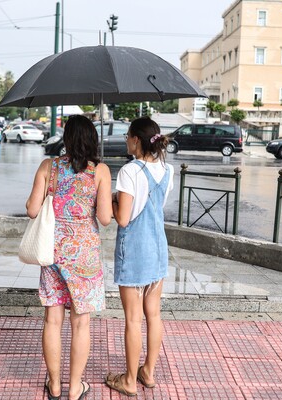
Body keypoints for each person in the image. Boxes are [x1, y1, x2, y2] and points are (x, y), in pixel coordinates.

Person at [26, 115, 112, 400]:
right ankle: (75, 388)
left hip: (53, 251)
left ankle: (54, 385)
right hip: (84, 255)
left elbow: (31, 209)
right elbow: (104, 218)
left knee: (52, 319)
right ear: (92, 141)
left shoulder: (49, 167)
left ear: (66, 139)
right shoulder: (100, 171)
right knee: (81, 323)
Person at [105, 116, 174, 397]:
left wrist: (110, 200)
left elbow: (122, 219)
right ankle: (148, 372)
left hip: (134, 249)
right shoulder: (168, 170)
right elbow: (155, 206)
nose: (125, 141)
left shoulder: (129, 172)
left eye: (127, 136)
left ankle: (130, 380)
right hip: (158, 249)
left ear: (136, 139)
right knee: (153, 315)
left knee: (133, 319)